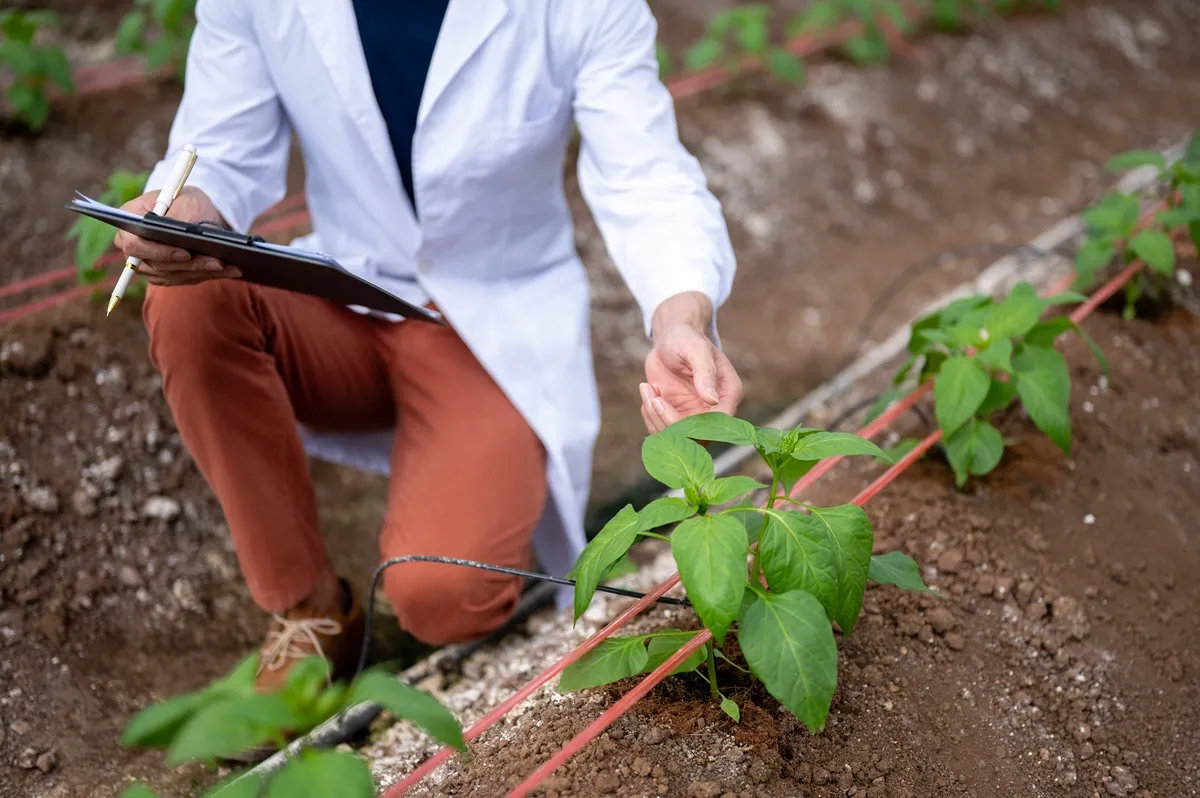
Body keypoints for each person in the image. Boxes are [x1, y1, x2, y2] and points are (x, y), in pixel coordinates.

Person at [113, 0, 743, 694]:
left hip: (488, 325)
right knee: (187, 294)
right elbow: (219, 146)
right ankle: (308, 608)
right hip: (343, 292)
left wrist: (680, 316)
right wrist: (188, 211)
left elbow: (644, 174)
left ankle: (482, 488)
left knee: (443, 599)